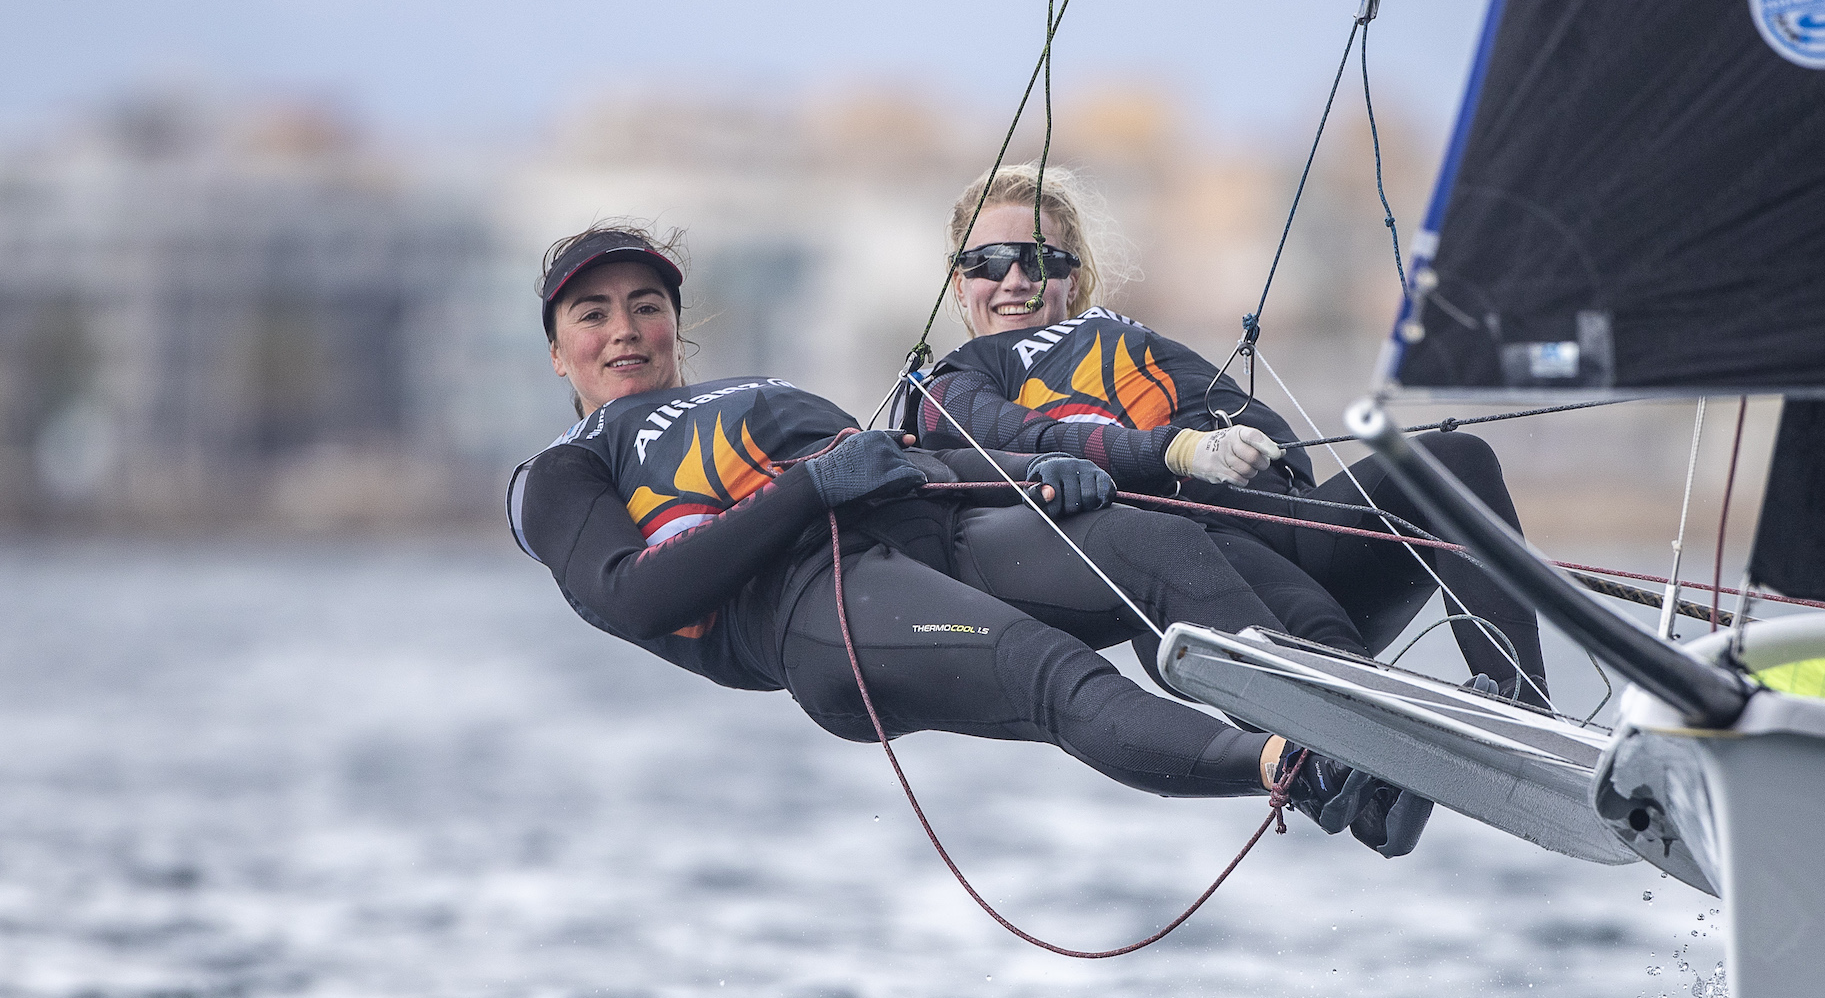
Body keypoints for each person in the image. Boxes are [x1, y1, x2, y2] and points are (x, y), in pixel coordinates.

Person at [507, 223, 1434, 856]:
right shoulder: (563, 471)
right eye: (593, 314)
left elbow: (908, 465)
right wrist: (805, 492)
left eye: (645, 305)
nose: (625, 329)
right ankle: (1296, 768)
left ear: (676, 322)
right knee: (1054, 675)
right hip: (822, 609)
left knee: (1151, 543)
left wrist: (1027, 476)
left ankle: (1356, 719)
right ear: (557, 351)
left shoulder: (755, 390)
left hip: (940, 535)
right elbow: (634, 596)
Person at [910, 165, 1550, 707]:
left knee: (1455, 458)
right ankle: (1372, 754)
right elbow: (1010, 433)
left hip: (1302, 533)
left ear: (1072, 279)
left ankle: (1526, 709)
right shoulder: (957, 381)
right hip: (1193, 573)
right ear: (957, 280)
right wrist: (1179, 450)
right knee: (1303, 624)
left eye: (1039, 259)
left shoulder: (1123, 335)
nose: (1016, 279)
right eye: (989, 261)